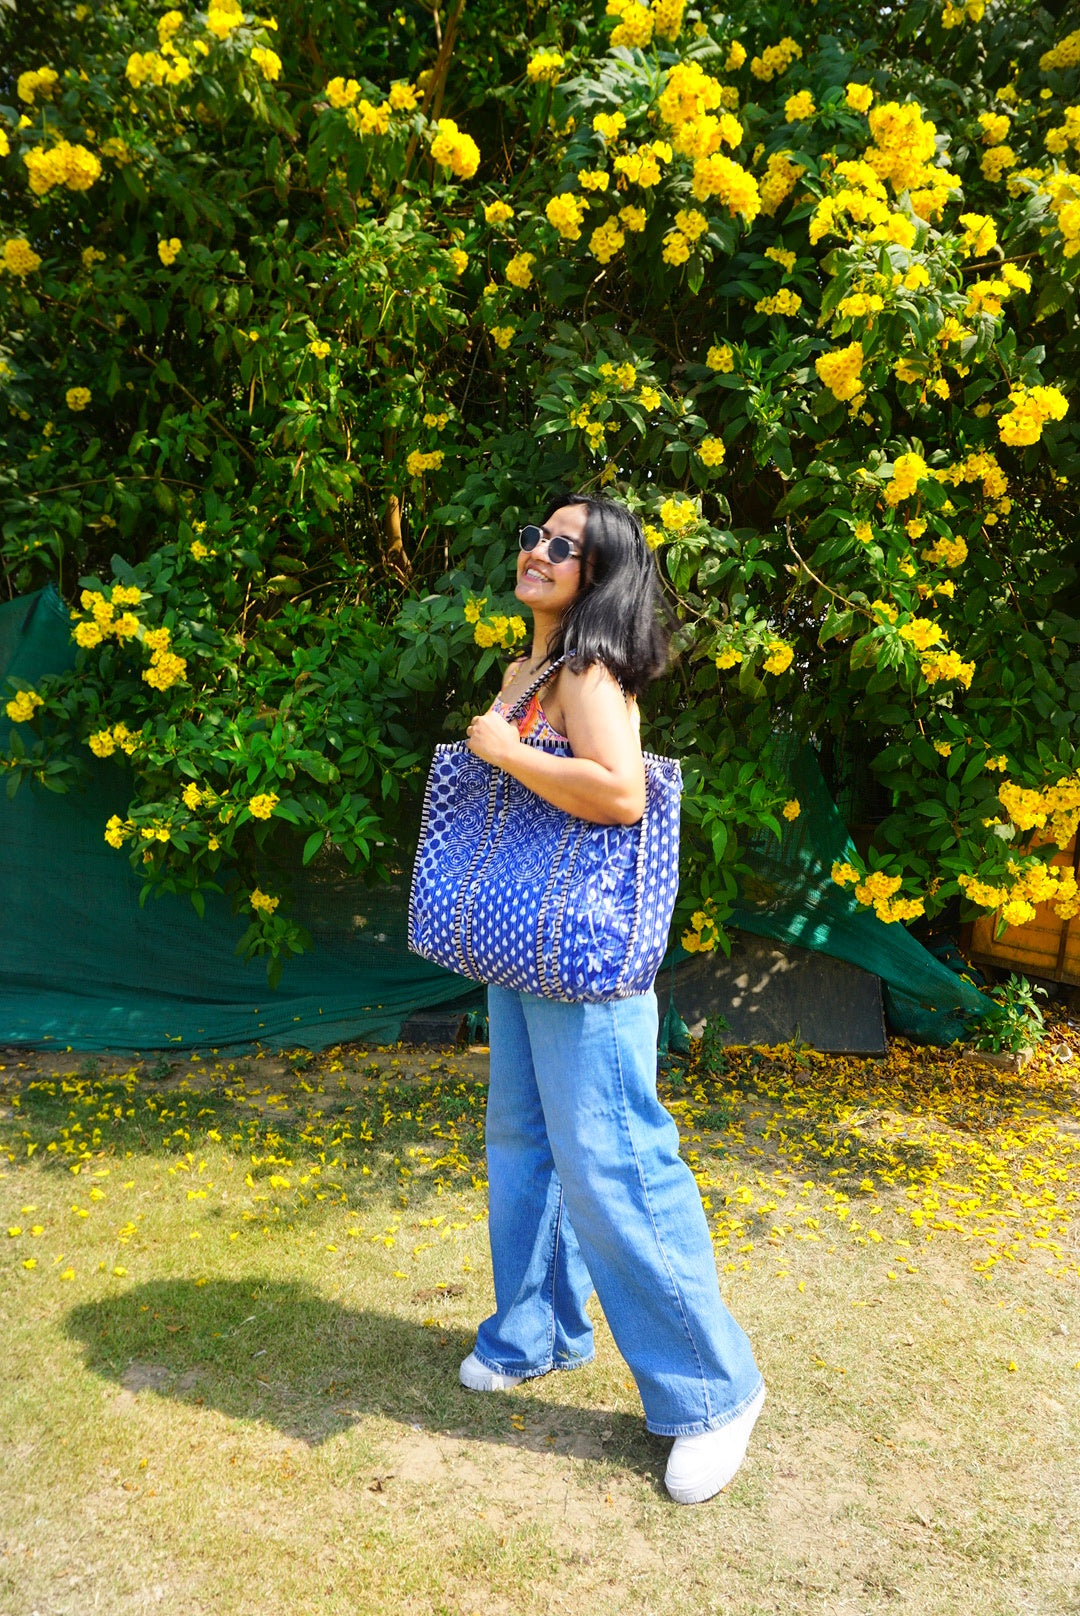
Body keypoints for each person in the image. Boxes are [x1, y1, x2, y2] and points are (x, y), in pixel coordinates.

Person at [458, 493, 765, 1506]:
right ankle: (536, 1330)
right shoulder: (527, 669)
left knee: (614, 1159)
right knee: (525, 1140)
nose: (537, 551)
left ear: (600, 574)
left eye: (564, 545)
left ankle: (714, 1391)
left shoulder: (588, 671)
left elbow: (623, 793)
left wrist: (506, 751)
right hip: (526, 939)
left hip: (581, 949)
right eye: (533, 535)